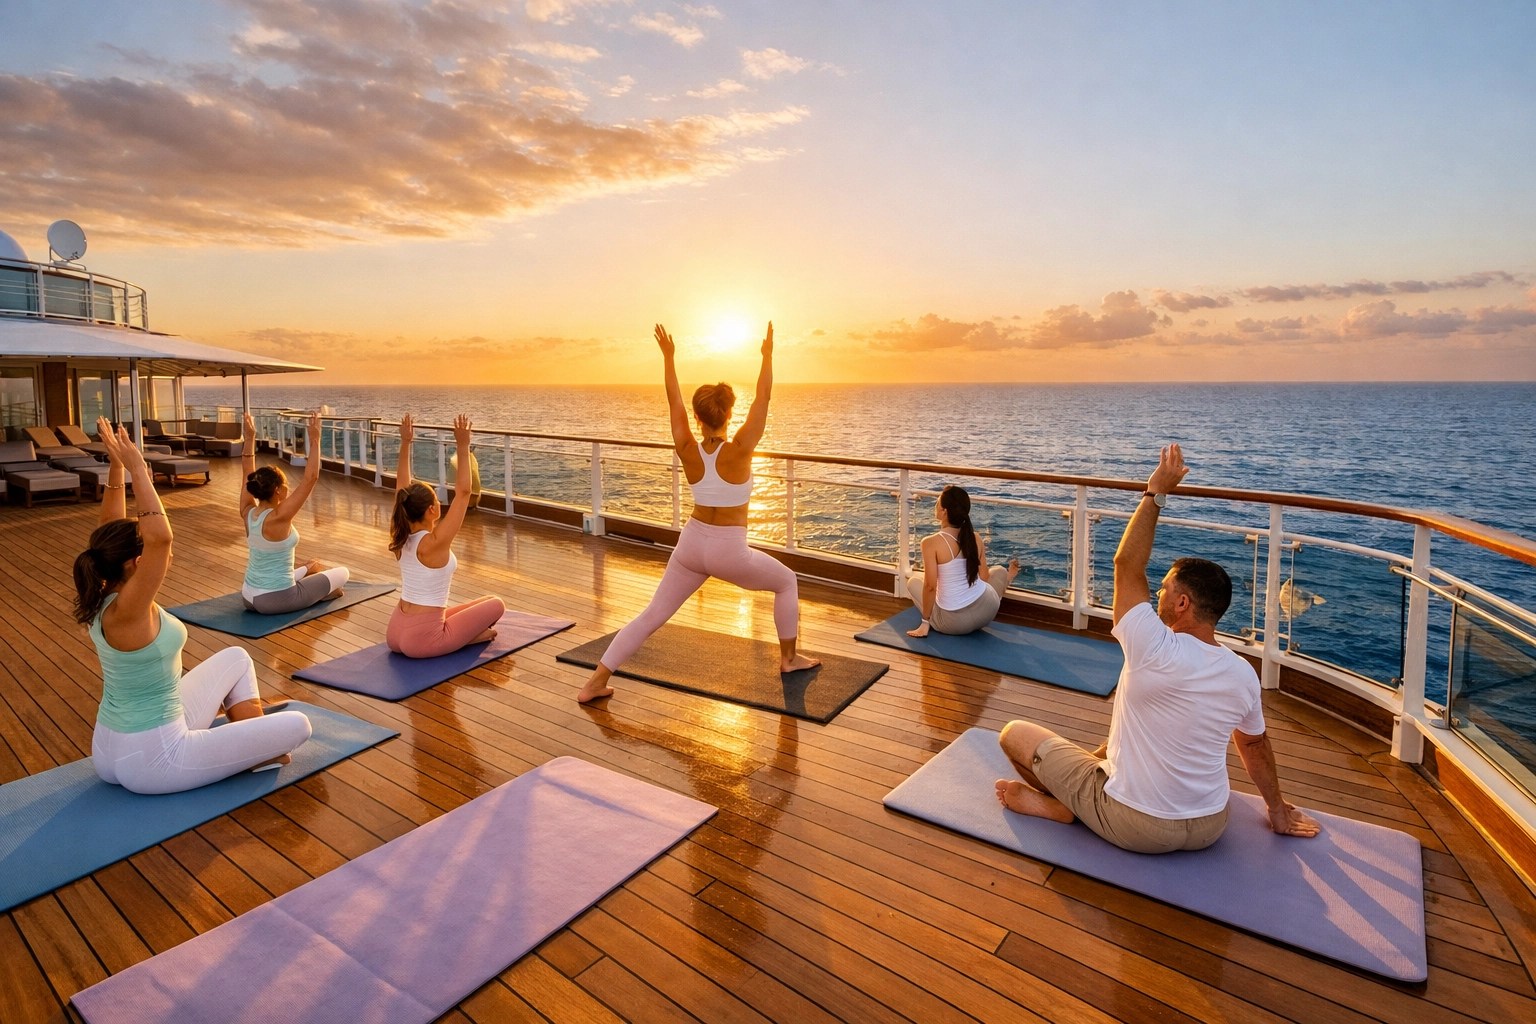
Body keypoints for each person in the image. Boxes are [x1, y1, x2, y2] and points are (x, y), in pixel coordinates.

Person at [994, 443, 1321, 853]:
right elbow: (1253, 745)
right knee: (1111, 744)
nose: (1158, 594)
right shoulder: (1242, 673)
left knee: (1014, 733)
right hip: (1210, 826)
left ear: (1182, 603)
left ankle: (1061, 807)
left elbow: (1127, 564)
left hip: (1138, 828)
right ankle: (1080, 796)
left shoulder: (1151, 645)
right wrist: (1276, 810)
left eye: (1164, 589)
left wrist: (1156, 492)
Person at [576, 322, 820, 703]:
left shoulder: (686, 447)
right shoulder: (740, 449)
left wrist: (669, 358)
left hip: (690, 543)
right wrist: (768, 356)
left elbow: (671, 399)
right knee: (786, 582)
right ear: (728, 414)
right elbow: (764, 398)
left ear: (698, 416)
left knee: (651, 615)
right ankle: (788, 659)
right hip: (728, 550)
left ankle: (595, 682)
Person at [73, 418, 311, 794]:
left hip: (109, 747)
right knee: (299, 726)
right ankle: (255, 747)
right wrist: (138, 467)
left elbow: (110, 528)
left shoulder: (105, 588)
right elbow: (161, 539)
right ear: (137, 563)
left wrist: (117, 465)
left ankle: (250, 741)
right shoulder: (132, 608)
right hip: (155, 758)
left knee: (236, 657)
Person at [386, 413, 505, 657]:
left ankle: (462, 634)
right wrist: (463, 445)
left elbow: (401, 487)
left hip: (395, 631)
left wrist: (406, 442)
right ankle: (470, 638)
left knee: (487, 599)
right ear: (432, 510)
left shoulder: (401, 537)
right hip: (422, 639)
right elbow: (464, 492)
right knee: (497, 605)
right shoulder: (434, 542)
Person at [238, 411, 349, 613]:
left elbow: (247, 472)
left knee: (312, 565)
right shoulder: (279, 517)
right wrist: (315, 439)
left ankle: (308, 572)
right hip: (273, 600)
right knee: (343, 573)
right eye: (287, 484)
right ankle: (324, 594)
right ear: (278, 490)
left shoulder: (248, 512)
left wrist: (250, 438)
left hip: (248, 595)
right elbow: (311, 478)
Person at [905, 484, 1019, 636]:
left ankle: (931, 620)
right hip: (987, 610)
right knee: (999, 571)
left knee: (913, 581)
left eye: (937, 503)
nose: (935, 506)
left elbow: (930, 586)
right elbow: (984, 577)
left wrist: (925, 623)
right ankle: (1007, 579)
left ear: (944, 511)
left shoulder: (930, 543)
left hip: (955, 623)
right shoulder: (975, 538)